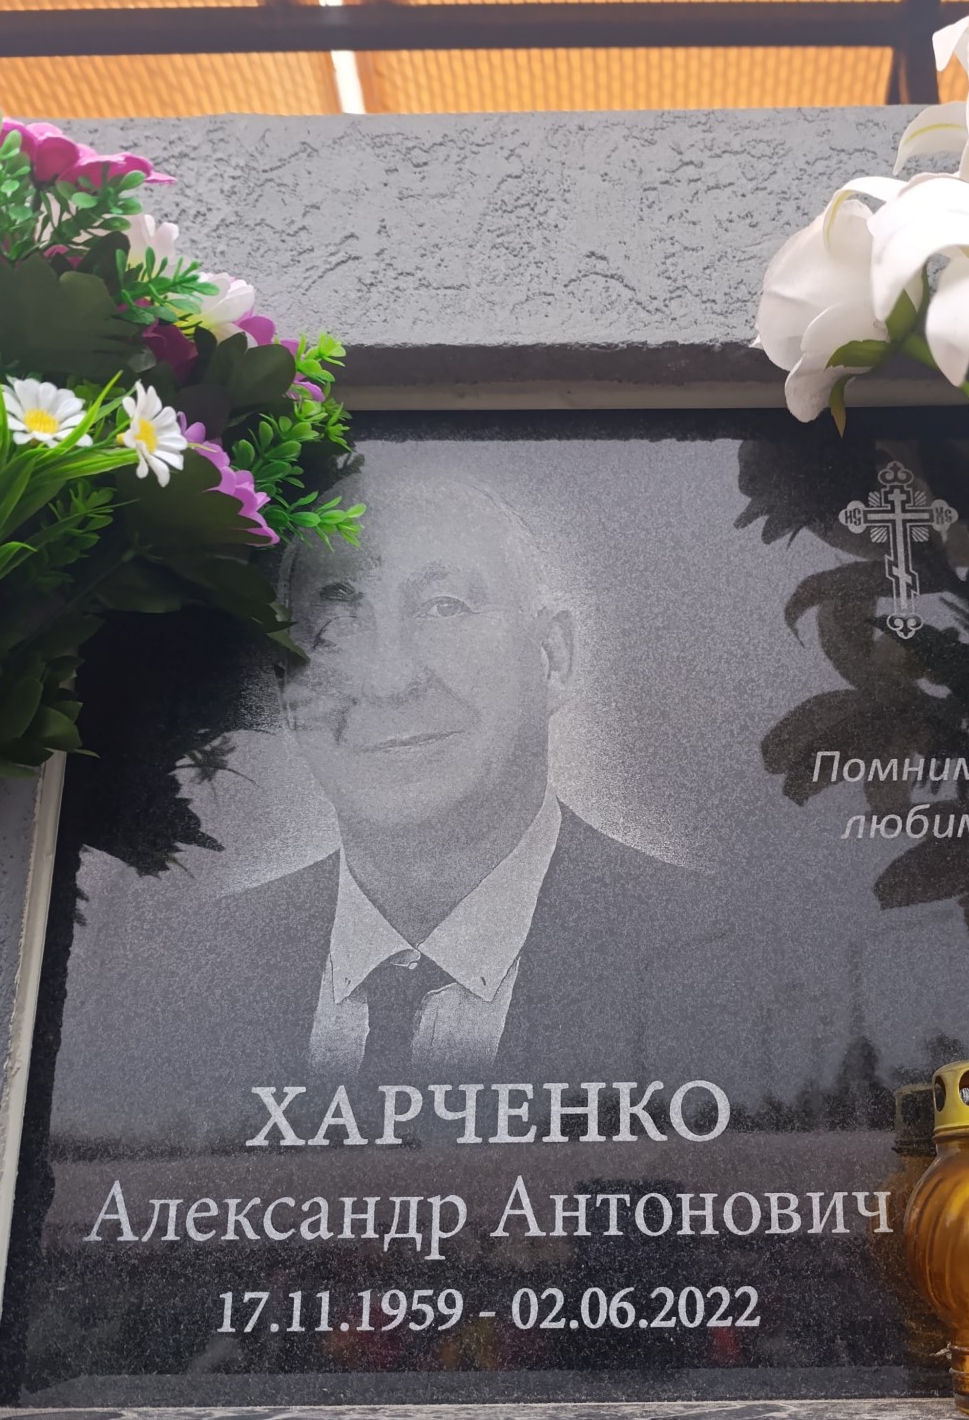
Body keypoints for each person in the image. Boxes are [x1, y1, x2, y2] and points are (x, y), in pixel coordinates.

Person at [190, 468, 708, 1093]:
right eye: (335, 629)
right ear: (287, 695)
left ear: (552, 658)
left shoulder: (735, 963)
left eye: (444, 608)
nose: (390, 679)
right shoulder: (187, 973)